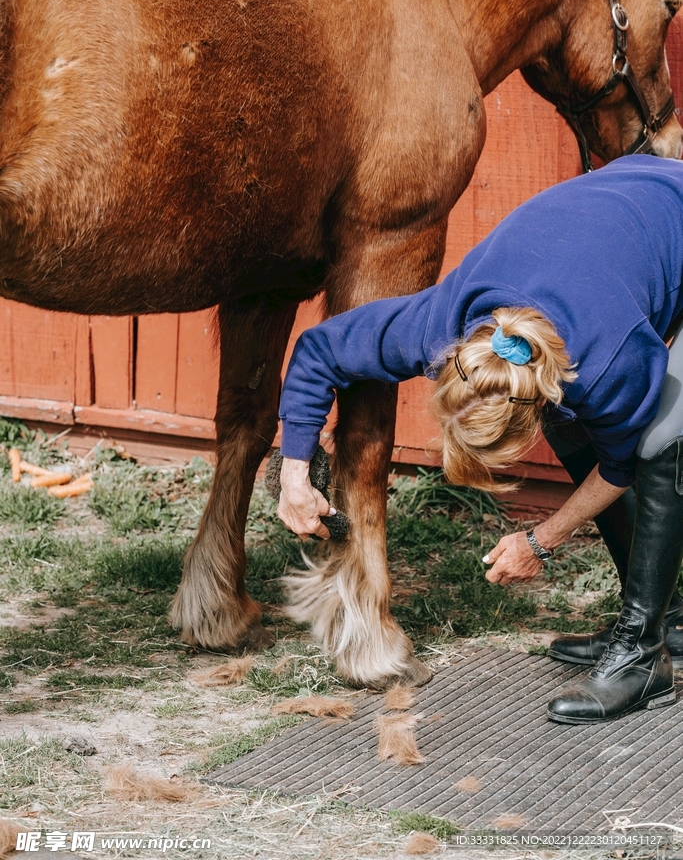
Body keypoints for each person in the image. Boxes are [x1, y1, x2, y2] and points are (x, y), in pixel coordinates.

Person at [276, 155, 683, 723]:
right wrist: (293, 472)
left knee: (662, 439)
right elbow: (319, 351)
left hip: (665, 216)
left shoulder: (608, 361)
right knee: (582, 427)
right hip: (627, 206)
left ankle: (643, 655)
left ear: (533, 404)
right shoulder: (438, 327)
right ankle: (668, 614)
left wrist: (540, 539)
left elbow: (619, 469)